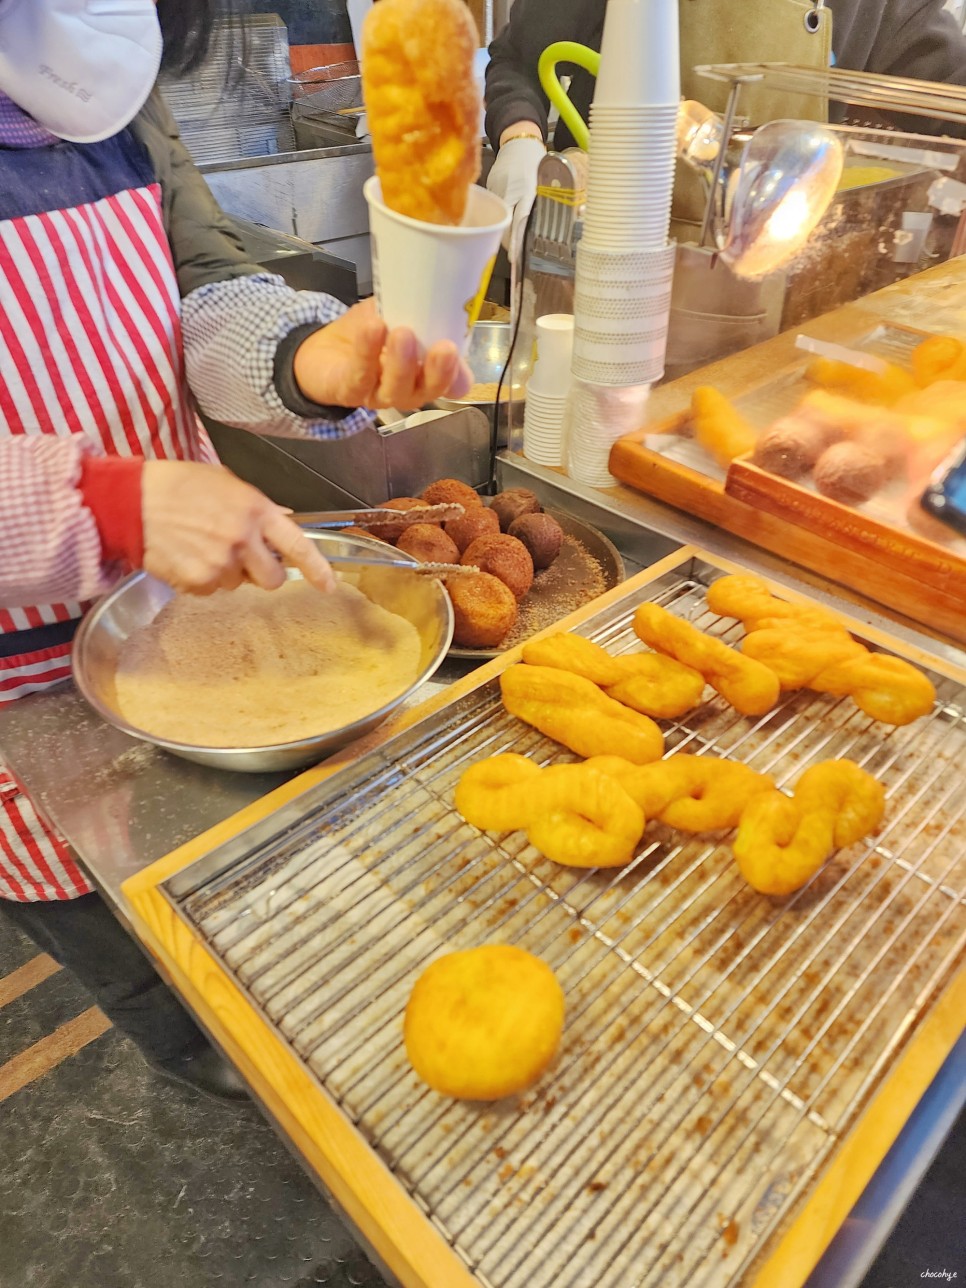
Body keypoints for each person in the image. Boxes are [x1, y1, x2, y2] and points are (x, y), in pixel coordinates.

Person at [0, 0, 470, 1102]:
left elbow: (199, 291)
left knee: (268, 920)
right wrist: (99, 504)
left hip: (207, 627)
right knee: (159, 975)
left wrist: (308, 360)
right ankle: (221, 1081)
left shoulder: (88, 60)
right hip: (27, 730)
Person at [485, 0, 966, 256]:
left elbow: (949, 100)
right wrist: (520, 139)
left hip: (777, 273)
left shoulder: (886, 8)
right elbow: (517, 61)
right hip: (603, 254)